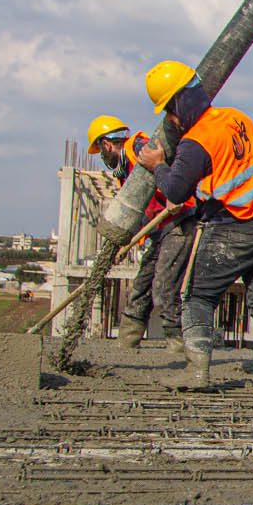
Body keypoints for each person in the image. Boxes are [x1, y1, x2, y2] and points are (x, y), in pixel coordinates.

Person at [135, 62, 253, 392]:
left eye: (170, 113)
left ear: (177, 104)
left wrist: (158, 165)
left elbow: (176, 190)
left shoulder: (196, 142)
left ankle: (196, 372)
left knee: (196, 297)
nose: (171, 122)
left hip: (236, 225)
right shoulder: (237, 117)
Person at [86, 114, 194, 350]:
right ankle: (127, 341)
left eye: (101, 151)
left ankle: (178, 346)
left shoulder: (140, 148)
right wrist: (126, 245)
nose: (103, 157)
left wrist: (178, 195)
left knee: (165, 286)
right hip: (159, 230)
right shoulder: (125, 172)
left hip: (178, 222)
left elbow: (178, 167)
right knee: (141, 286)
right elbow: (142, 211)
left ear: (106, 144)